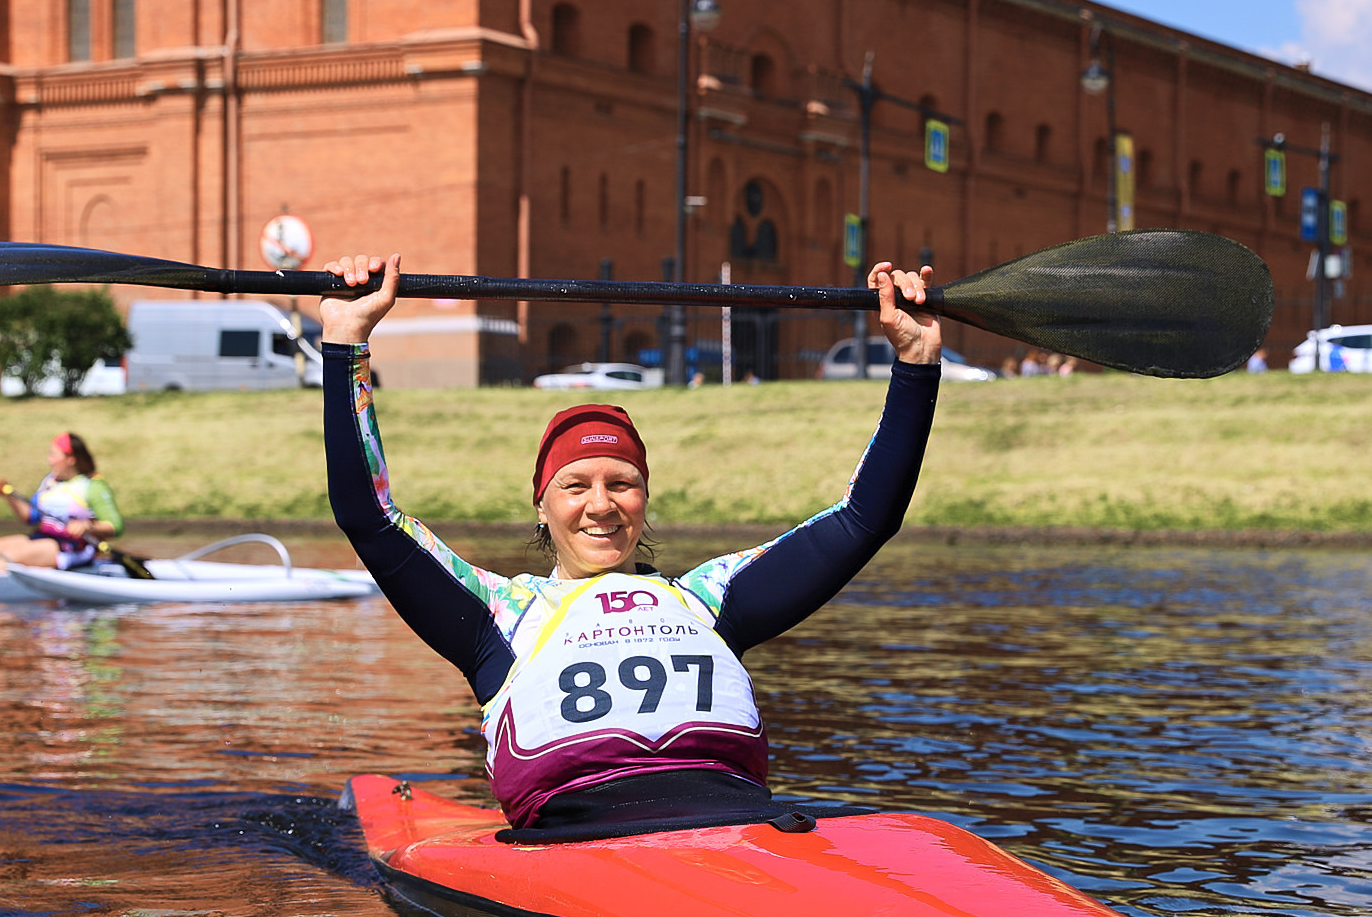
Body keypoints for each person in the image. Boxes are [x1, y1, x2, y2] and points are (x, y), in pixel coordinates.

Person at [321, 252, 941, 842]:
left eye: (623, 483)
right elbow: (370, 519)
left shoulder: (707, 600)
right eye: (575, 485)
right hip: (574, 841)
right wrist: (347, 343)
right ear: (542, 504)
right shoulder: (499, 615)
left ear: (644, 499)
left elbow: (864, 519)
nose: (600, 505)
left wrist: (915, 365)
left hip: (743, 827)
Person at [0, 431, 124, 573]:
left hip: (72, 548)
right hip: (43, 539)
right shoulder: (50, 482)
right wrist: (8, 495)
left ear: (71, 459)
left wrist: (87, 526)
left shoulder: (93, 485)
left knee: (11, 555)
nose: (50, 461)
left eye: (54, 455)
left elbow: (115, 526)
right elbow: (30, 517)